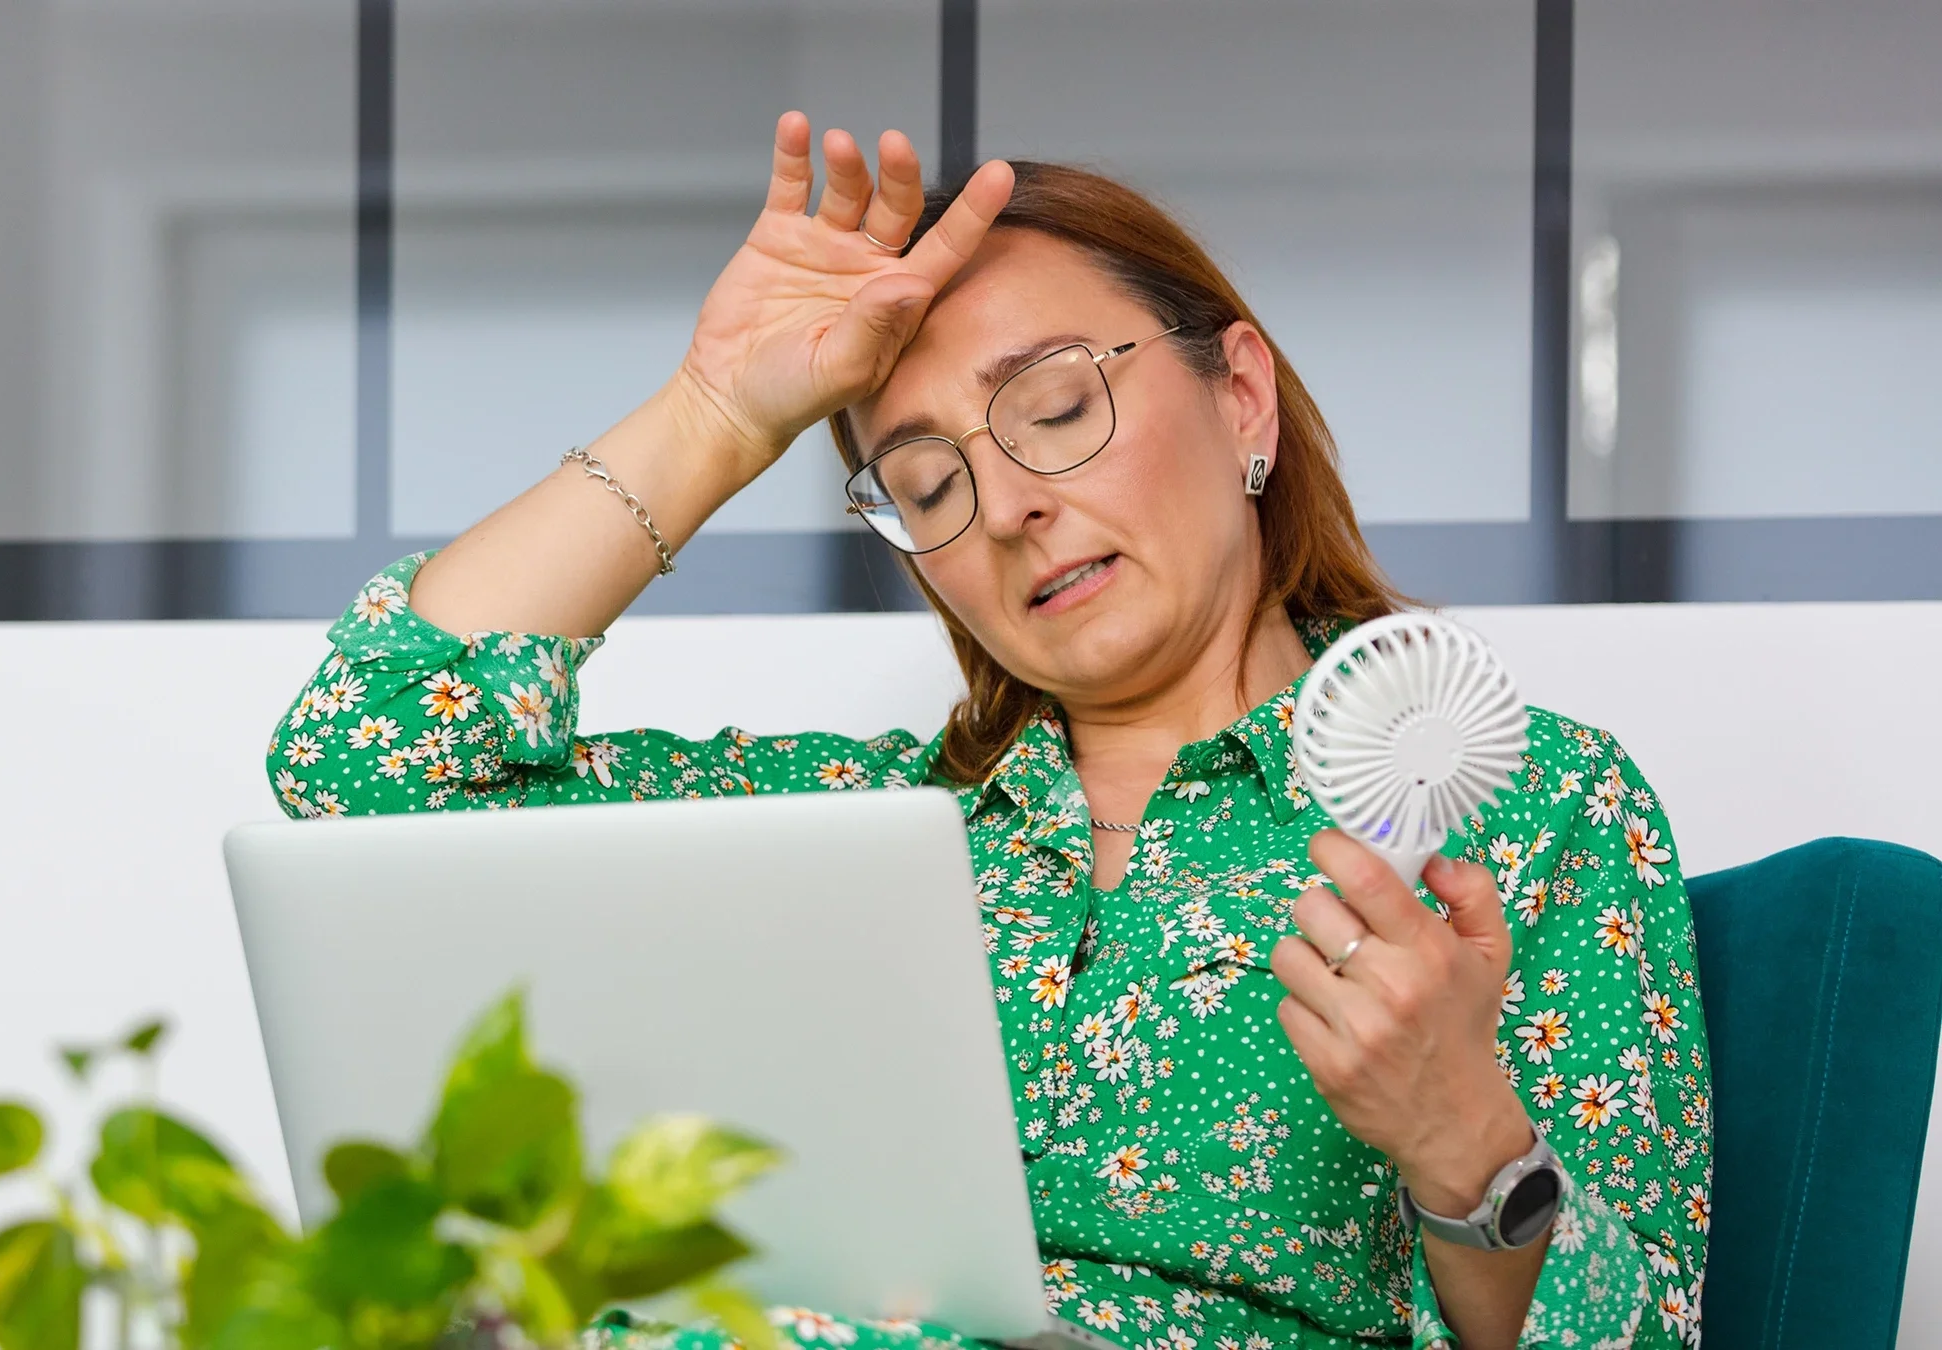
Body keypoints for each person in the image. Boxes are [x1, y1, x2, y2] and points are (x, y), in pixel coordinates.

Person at [266, 113, 1710, 1350]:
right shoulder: (850, 830)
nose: (1010, 501)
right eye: (928, 479)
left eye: (1057, 403)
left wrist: (1469, 1142)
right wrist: (715, 412)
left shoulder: (1524, 809)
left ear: (1243, 397)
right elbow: (369, 767)